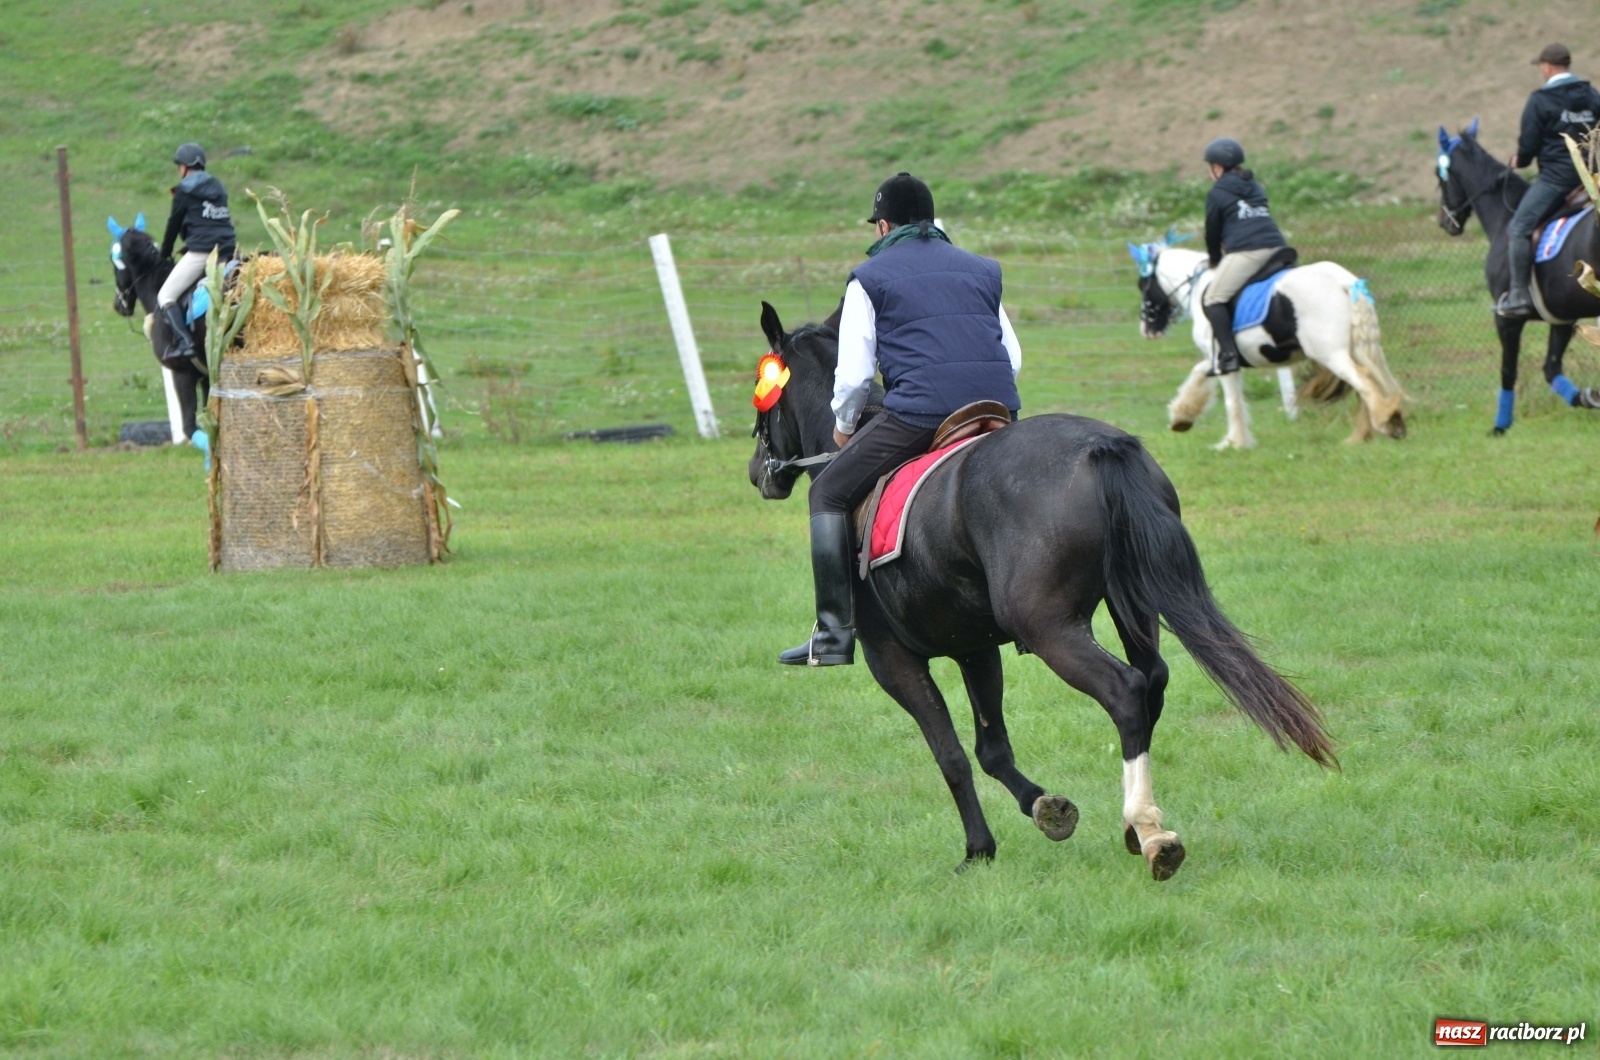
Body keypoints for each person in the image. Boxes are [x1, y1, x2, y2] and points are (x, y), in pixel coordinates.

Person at [779, 172, 1022, 666]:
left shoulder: (868, 278)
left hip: (922, 414)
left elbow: (851, 378)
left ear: (883, 226)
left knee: (825, 492)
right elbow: (1013, 357)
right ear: (932, 222)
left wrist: (844, 428)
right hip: (998, 409)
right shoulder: (983, 268)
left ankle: (832, 633)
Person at [1499, 43, 1600, 317]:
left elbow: (1529, 144)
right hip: (1592, 178)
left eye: (1541, 67)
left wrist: (1519, 160)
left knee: (1519, 228)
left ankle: (1518, 296)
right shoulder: (1592, 95)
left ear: (1547, 67)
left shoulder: (1540, 100)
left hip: (1558, 180)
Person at [1199, 137, 1288, 376]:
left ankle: (1228, 356)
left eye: (1211, 167)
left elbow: (1212, 231)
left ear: (1217, 167)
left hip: (1249, 252)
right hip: (1279, 248)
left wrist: (1215, 259)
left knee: (1213, 298)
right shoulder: (1255, 185)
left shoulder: (1217, 193)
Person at [157, 142, 236, 361]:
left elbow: (174, 224)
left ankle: (185, 342)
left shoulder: (183, 189)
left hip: (202, 253)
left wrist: (165, 252)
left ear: (183, 167)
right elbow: (213, 220)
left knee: (165, 296)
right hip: (228, 251)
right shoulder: (218, 186)